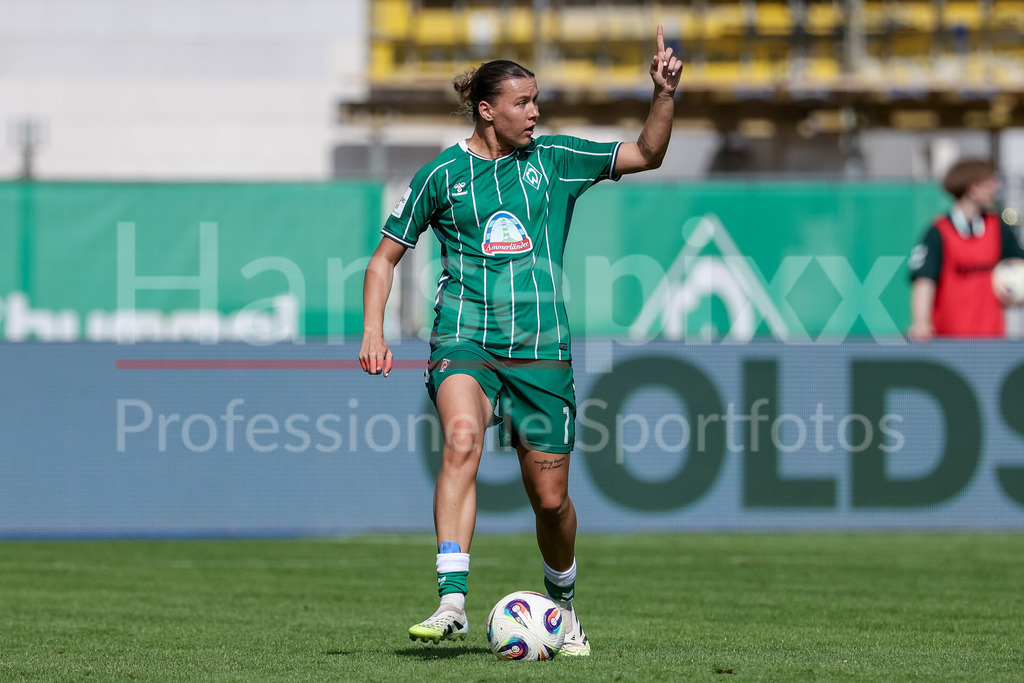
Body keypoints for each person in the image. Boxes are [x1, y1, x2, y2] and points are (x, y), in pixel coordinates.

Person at [359, 26, 682, 655]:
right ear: (487, 110)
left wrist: (664, 95)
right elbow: (382, 261)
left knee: (551, 501)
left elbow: (647, 153)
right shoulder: (441, 176)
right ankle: (452, 599)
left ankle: (561, 605)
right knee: (461, 442)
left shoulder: (555, 161)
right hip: (464, 338)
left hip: (541, 349)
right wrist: (373, 330)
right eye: (521, 103)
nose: (535, 112)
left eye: (536, 101)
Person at [908, 158, 1024, 341]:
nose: (996, 187)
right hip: (949, 341)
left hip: (992, 339)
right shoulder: (939, 231)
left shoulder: (997, 227)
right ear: (973, 189)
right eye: (990, 183)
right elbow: (924, 281)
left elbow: (1018, 265)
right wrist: (921, 322)